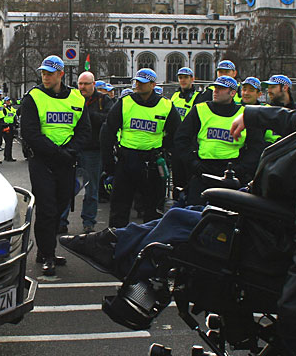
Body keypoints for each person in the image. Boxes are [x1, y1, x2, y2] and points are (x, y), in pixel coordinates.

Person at [62, 30, 296, 351]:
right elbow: (295, 119)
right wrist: (252, 114)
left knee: (179, 222)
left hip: (265, 241)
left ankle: (117, 253)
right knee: (181, 216)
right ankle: (113, 244)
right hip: (262, 220)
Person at [20, 55, 90, 275]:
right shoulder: (33, 97)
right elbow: (30, 133)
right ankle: (47, 254)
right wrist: (57, 152)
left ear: (61, 74)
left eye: (50, 74)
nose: (45, 77)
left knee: (60, 206)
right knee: (47, 208)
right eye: (43, 73)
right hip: (43, 160)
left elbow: (84, 130)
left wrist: (71, 151)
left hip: (66, 161)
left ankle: (45, 250)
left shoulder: (77, 99)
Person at [101, 68, 180, 227]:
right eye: (137, 82)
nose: (138, 85)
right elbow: (107, 131)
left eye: (143, 83)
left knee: (152, 210)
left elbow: (176, 133)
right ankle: (117, 239)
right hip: (127, 161)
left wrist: (164, 150)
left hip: (152, 163)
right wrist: (109, 162)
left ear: (153, 85)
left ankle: (149, 241)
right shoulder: (125, 103)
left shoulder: (165, 105)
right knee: (119, 209)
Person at [176, 75, 263, 205]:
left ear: (232, 93)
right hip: (203, 171)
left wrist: (241, 169)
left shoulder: (244, 115)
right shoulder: (200, 110)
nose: (215, 91)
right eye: (215, 87)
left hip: (231, 174)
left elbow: (256, 147)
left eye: (221, 89)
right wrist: (193, 163)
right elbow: (181, 139)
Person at [60, 71, 110, 232]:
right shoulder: (72, 98)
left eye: (86, 84)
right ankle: (61, 221)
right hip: (73, 148)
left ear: (93, 84)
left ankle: (89, 222)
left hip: (93, 151)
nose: (82, 87)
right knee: (66, 186)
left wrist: (87, 115)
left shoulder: (103, 100)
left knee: (91, 189)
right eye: (80, 84)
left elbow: (108, 119)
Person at [170, 67, 200, 192]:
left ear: (192, 79)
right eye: (180, 77)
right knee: (177, 177)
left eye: (186, 77)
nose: (183, 80)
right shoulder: (175, 96)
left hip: (189, 143)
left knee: (189, 177)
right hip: (176, 142)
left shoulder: (198, 97)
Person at [1, 97, 17, 161]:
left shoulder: (12, 108)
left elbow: (14, 116)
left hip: (11, 126)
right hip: (6, 126)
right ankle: (8, 157)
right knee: (8, 142)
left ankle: (7, 156)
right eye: (7, 101)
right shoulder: (4, 109)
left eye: (9, 100)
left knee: (9, 142)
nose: (8, 102)